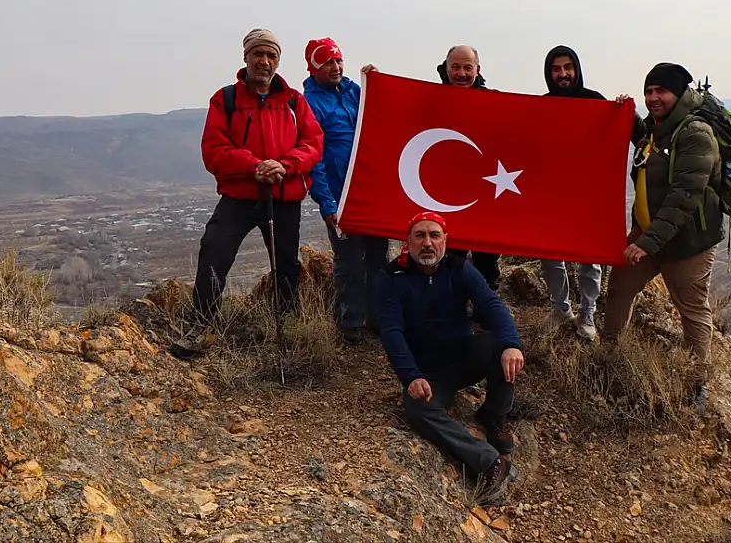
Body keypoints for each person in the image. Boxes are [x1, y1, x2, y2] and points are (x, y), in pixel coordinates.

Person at [171, 28, 324, 360]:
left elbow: (313, 144)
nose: (264, 62)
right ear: (246, 57)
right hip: (240, 195)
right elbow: (213, 150)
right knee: (214, 251)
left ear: (278, 61)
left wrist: (284, 165)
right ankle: (201, 326)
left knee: (287, 265)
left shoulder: (295, 101)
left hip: (282, 196)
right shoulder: (225, 99)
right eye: (258, 54)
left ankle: (288, 326)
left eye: (271, 55)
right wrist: (254, 164)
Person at [375, 211, 523, 502]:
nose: (427, 243)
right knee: (417, 409)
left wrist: (511, 344)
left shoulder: (460, 269)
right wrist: (411, 376)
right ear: (408, 241)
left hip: (463, 354)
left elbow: (492, 305)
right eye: (420, 235)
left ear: (445, 240)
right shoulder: (391, 277)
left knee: (501, 348)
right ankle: (490, 462)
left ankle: (493, 417)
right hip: (429, 370)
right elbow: (391, 332)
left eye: (434, 235)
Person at [602, 62, 723, 407]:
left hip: (688, 244)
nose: (653, 97)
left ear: (680, 93)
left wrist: (646, 242)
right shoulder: (659, 128)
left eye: (661, 91)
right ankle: (609, 358)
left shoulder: (696, 133)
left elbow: (684, 196)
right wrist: (628, 114)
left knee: (692, 309)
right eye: (649, 91)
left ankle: (696, 383)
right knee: (620, 288)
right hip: (650, 233)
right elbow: (648, 143)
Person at [303, 38, 390, 345]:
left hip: (371, 193)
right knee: (349, 260)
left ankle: (380, 318)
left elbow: (379, 104)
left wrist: (375, 78)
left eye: (338, 61)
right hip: (341, 198)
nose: (336, 67)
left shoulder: (353, 90)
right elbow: (315, 160)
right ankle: (349, 322)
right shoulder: (310, 103)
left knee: (379, 257)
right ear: (313, 67)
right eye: (327, 62)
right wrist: (327, 203)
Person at [538, 45, 610, 340]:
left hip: (587, 194)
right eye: (556, 69)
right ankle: (560, 309)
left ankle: (587, 313)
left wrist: (620, 108)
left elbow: (627, 130)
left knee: (589, 258)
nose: (563, 74)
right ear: (548, 73)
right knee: (550, 256)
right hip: (551, 195)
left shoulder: (595, 102)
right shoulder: (540, 107)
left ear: (576, 70)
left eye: (568, 67)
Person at [435, 45, 502, 291]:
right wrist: (375, 80)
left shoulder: (494, 100)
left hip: (486, 194)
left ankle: (487, 316)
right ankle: (453, 315)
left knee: (487, 262)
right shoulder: (432, 99)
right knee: (451, 260)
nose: (461, 73)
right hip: (446, 197)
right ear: (446, 67)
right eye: (456, 67)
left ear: (478, 69)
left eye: (467, 67)